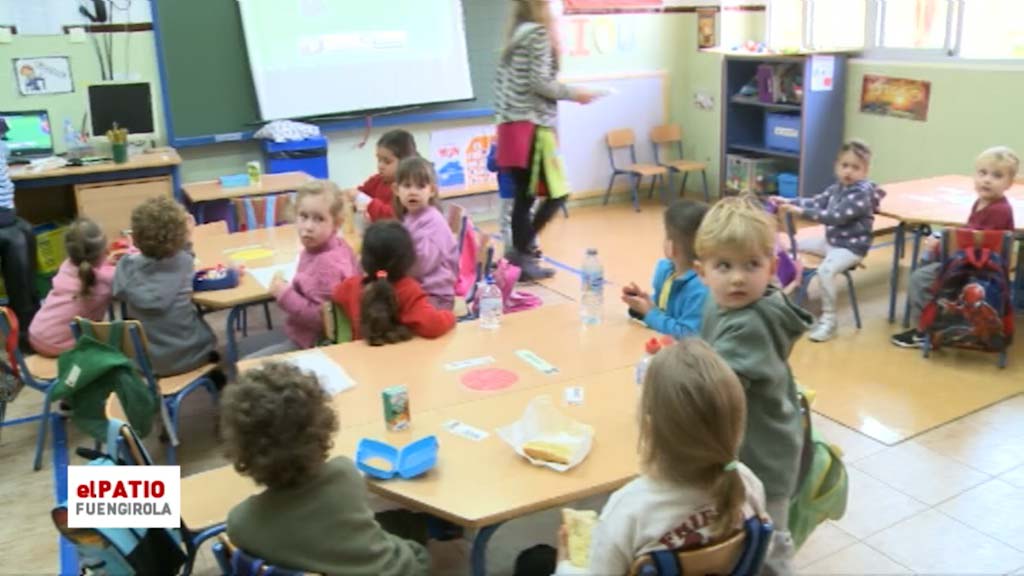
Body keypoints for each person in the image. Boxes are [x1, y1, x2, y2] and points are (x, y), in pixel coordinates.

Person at [545, 339, 767, 574]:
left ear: (648, 427)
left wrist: (564, 564)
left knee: (534, 559)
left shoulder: (629, 510)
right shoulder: (748, 484)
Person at [696, 197, 813, 576]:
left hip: (765, 457)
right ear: (702, 271)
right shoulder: (725, 304)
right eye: (724, 266)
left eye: (752, 265)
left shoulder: (748, 323)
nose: (737, 278)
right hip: (759, 443)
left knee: (769, 543)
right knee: (751, 536)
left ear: (770, 266)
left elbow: (719, 392)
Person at [223, 362, 430, 575]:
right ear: (322, 428)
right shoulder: (344, 474)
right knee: (412, 534)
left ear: (240, 447)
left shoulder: (241, 523)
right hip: (397, 571)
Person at [494, 0, 599, 280]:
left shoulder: (515, 36)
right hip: (530, 128)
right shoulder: (537, 35)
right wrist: (576, 93)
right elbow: (540, 83)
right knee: (556, 193)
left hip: (510, 128)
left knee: (524, 199)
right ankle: (519, 255)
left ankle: (520, 260)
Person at [891, 146, 1018, 348]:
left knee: (919, 278)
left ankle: (926, 330)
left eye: (997, 176)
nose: (987, 180)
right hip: (969, 263)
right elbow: (970, 234)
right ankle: (938, 318)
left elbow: (974, 245)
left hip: (977, 270)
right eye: (982, 173)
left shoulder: (999, 210)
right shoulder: (981, 202)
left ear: (1009, 183)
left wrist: (942, 243)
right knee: (928, 260)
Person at [772, 140, 884, 342]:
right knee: (791, 247)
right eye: (844, 165)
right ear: (837, 166)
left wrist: (801, 212)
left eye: (855, 167)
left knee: (825, 271)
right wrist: (789, 201)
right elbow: (816, 201)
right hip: (832, 241)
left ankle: (829, 321)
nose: (848, 172)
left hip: (851, 248)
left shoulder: (861, 193)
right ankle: (797, 297)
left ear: (865, 171)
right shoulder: (837, 188)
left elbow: (835, 216)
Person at [113, 196, 218, 376]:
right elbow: (186, 252)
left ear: (136, 237)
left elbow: (117, 290)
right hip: (191, 355)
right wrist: (187, 235)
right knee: (207, 339)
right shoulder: (183, 262)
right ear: (180, 235)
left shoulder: (126, 266)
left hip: (145, 362)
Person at [254, 180, 359, 356]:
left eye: (319, 219)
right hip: (302, 334)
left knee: (247, 367)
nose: (308, 227)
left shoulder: (326, 263)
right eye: (303, 216)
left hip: (313, 344)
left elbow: (323, 320)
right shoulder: (330, 246)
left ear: (337, 223)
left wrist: (284, 294)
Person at [332, 220, 455, 345]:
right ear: (409, 258)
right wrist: (450, 316)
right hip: (404, 361)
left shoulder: (350, 286)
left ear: (364, 258)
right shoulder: (408, 290)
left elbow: (335, 294)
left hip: (361, 361)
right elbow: (433, 325)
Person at [621, 199, 709, 339]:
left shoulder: (702, 288)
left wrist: (650, 314)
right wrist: (643, 306)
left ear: (671, 247)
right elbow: (665, 308)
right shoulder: (667, 272)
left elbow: (686, 335)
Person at [29, 218, 114, 357]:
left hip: (36, 333)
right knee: (105, 342)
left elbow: (95, 272)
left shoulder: (66, 267)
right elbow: (112, 280)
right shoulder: (101, 289)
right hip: (57, 346)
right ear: (103, 252)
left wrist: (104, 264)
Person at [393, 157, 458, 310]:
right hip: (420, 289)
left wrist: (393, 269)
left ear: (432, 191)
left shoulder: (433, 221)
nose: (413, 192)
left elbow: (421, 265)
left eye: (420, 186)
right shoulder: (411, 217)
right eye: (407, 186)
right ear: (396, 190)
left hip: (435, 295)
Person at [0, 118, 39, 349]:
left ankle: (30, 318)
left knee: (25, 233)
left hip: (7, 213)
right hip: (5, 214)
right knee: (18, 240)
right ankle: (25, 328)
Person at [349, 129, 419, 223]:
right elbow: (361, 192)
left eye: (387, 161)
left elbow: (392, 216)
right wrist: (352, 198)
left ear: (405, 162)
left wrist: (364, 200)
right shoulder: (377, 180)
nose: (380, 166)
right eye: (379, 160)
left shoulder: (409, 189)